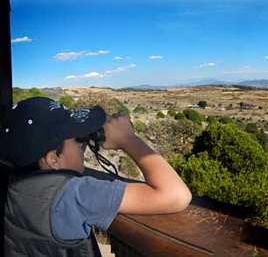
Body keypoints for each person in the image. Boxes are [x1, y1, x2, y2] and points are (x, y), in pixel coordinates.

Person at [1, 97, 192, 257]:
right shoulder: (75, 194)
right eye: (79, 142)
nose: (84, 146)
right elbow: (176, 195)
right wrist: (127, 139)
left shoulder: (14, 186)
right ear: (53, 159)